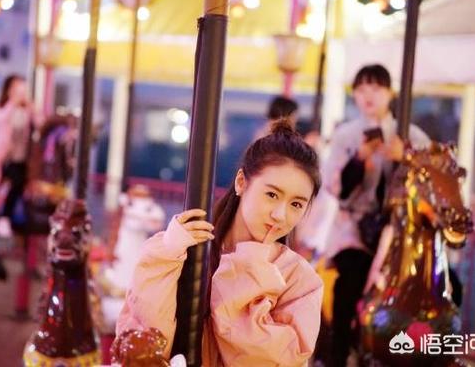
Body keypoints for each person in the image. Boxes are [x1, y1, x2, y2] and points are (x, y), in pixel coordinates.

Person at [117, 121, 324, 366]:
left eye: (296, 204)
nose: (280, 215)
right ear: (241, 182)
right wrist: (168, 254)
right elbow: (145, 340)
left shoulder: (300, 280)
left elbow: (269, 360)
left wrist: (248, 267)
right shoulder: (183, 250)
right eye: (272, 195)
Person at [321, 64, 430, 366]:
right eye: (361, 89)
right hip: (355, 230)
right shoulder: (346, 136)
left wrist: (406, 156)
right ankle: (339, 355)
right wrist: (359, 159)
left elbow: (432, 180)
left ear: (390, 93)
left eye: (376, 88)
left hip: (401, 232)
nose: (368, 95)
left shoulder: (412, 136)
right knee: (349, 285)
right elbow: (334, 187)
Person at [0, 74, 39, 235]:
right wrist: (12, 102)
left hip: (21, 158)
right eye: (18, 89)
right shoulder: (4, 107)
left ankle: (5, 218)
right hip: (3, 157)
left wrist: (32, 107)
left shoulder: (27, 110)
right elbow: (0, 119)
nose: (22, 93)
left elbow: (40, 123)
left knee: (18, 186)